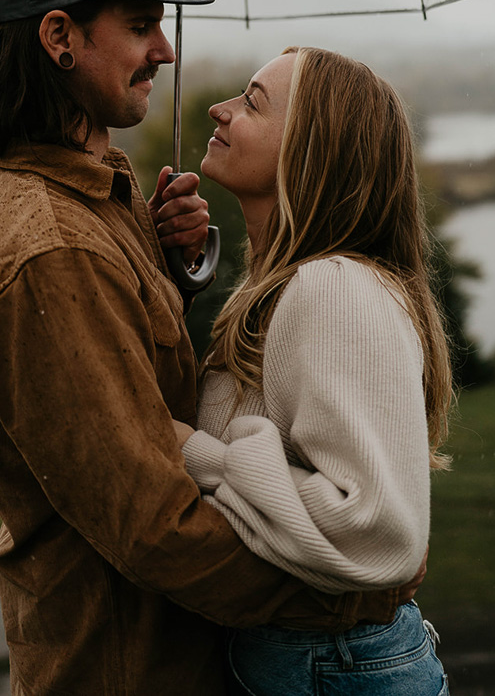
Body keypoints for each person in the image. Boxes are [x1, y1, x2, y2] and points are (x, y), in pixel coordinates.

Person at [0, 0, 427, 696]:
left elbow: (127, 379)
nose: (166, 51)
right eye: (141, 25)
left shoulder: (100, 191)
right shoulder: (48, 248)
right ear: (59, 35)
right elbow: (155, 525)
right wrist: (348, 599)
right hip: (125, 663)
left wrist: (176, 279)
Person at [175, 47, 453, 695]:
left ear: (307, 149)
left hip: (331, 666)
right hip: (317, 661)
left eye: (251, 102)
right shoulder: (289, 285)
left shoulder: (330, 288)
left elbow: (375, 531)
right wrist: (177, 276)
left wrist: (200, 457)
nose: (219, 108)